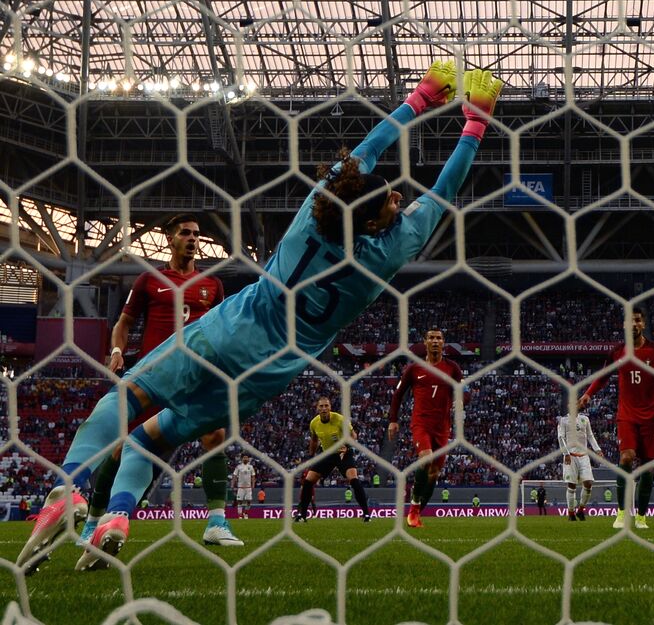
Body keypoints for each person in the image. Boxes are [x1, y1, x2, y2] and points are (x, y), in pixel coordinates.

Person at [17, 64, 502, 573]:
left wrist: (420, 100)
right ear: (374, 218)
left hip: (225, 332)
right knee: (151, 439)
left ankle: (68, 489)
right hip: (262, 376)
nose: (399, 197)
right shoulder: (383, 257)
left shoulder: (312, 218)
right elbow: (443, 193)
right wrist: (475, 123)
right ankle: (115, 520)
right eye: (391, 197)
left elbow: (369, 148)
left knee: (124, 401)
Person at [76, 214, 241, 562]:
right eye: (185, 232)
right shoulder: (149, 280)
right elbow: (124, 322)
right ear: (170, 239)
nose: (193, 238)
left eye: (197, 233)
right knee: (123, 449)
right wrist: (118, 350)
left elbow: (221, 328)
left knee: (215, 435)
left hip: (198, 376)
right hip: (154, 375)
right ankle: (93, 522)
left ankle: (216, 522)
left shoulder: (212, 284)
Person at [579, 310, 654, 531]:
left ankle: (641, 516)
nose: (634, 324)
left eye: (637, 320)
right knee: (626, 457)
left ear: (642, 324)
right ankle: (622, 512)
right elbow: (603, 376)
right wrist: (588, 394)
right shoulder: (617, 352)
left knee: (648, 468)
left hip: (652, 419)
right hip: (626, 416)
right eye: (630, 320)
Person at [386, 328, 463, 529]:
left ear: (443, 342)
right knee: (426, 457)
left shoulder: (452, 368)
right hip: (421, 422)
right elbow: (398, 394)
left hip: (443, 427)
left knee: (434, 473)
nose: (435, 341)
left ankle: (417, 513)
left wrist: (461, 400)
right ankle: (412, 509)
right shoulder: (414, 368)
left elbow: (466, 392)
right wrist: (393, 419)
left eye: (438, 338)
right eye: (431, 338)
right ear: (425, 342)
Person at [296, 398, 370, 522]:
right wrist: (311, 456)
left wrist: (347, 446)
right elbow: (314, 440)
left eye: (326, 406)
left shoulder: (340, 420)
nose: (324, 408)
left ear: (330, 407)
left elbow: (353, 436)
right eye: (321, 406)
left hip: (343, 452)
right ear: (317, 408)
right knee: (308, 481)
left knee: (353, 479)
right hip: (328, 454)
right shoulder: (314, 423)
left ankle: (366, 514)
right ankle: (302, 515)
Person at [556, 408, 603, 521]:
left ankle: (581, 510)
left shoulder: (584, 419)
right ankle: (571, 513)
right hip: (570, 456)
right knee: (571, 485)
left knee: (588, 483)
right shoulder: (563, 421)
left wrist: (597, 450)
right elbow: (561, 438)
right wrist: (566, 453)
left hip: (584, 456)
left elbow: (590, 435)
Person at [231, 454, 255, 519]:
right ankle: (240, 516)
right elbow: (234, 476)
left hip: (248, 487)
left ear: (248, 459)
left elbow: (253, 476)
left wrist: (253, 484)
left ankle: (246, 513)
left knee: (249, 500)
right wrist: (232, 484)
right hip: (240, 487)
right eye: (244, 457)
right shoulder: (238, 467)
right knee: (239, 501)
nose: (245, 459)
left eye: (246, 457)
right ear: (242, 459)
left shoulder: (251, 467)